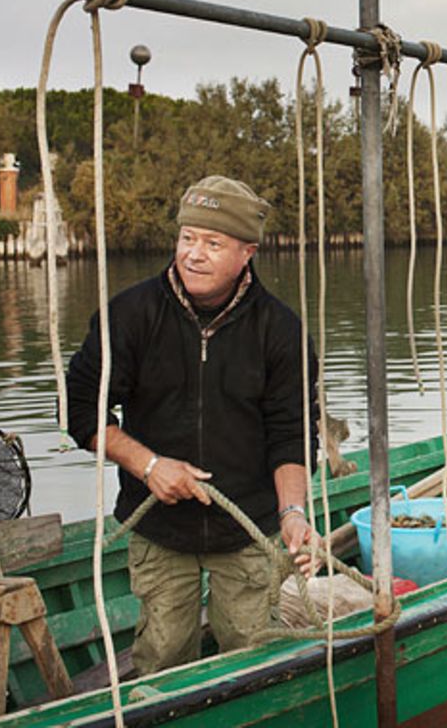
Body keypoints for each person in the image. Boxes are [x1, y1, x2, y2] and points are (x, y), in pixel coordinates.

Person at [65, 175, 318, 675]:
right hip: (158, 528)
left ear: (246, 252)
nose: (194, 254)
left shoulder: (281, 330)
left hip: (248, 529)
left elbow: (291, 433)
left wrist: (293, 513)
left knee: (254, 659)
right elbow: (79, 411)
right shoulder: (130, 315)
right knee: (160, 658)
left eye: (213, 243)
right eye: (187, 238)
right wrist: (149, 465)